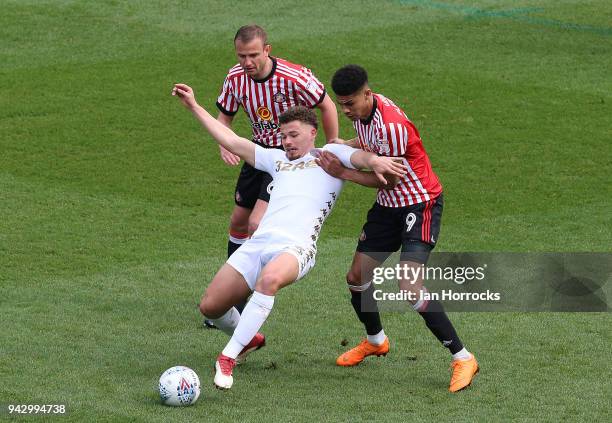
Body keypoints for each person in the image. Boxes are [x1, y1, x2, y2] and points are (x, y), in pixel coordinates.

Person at [171, 83, 406, 390]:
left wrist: (374, 161)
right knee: (210, 307)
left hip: (296, 249)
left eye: (294, 135)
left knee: (268, 281)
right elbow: (230, 139)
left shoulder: (330, 154)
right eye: (283, 136)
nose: (287, 141)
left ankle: (228, 357)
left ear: (312, 132)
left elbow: (363, 158)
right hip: (258, 245)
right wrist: (193, 106)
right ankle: (249, 338)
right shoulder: (275, 159)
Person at [323, 64, 478, 392]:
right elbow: (368, 144)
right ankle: (376, 341)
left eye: (350, 103)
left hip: (418, 203)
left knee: (408, 284)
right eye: (342, 104)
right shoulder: (366, 112)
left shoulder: (390, 126)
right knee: (356, 277)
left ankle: (463, 358)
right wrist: (343, 142)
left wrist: (342, 171)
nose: (346, 110)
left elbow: (388, 178)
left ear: (367, 94)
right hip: (388, 207)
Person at [204, 24, 339, 327]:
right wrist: (222, 143)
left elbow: (327, 106)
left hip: (287, 160)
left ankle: (246, 299)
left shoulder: (295, 77)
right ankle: (231, 295)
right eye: (242, 56)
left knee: (256, 221)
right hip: (257, 155)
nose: (247, 62)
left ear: (267, 50)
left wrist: (329, 147)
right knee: (238, 221)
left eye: (253, 55)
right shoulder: (235, 78)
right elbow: (224, 115)